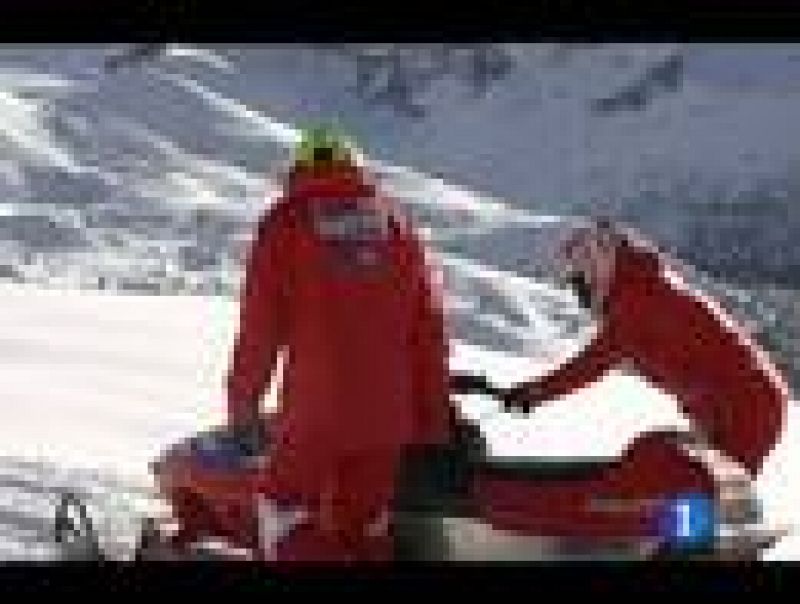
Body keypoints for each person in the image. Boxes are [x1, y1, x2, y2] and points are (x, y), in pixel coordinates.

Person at [225, 127, 454, 561]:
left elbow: (260, 328)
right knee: (363, 529)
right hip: (388, 414)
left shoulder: (285, 223)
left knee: (283, 515)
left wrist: (243, 406)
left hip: (317, 409)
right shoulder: (397, 226)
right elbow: (429, 330)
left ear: (300, 169)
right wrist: (433, 419)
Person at [501, 219, 790, 476]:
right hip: (743, 405)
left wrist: (533, 394)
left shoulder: (637, 301)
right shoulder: (642, 289)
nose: (579, 295)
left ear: (597, 269)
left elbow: (591, 364)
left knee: (688, 484)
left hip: (745, 409)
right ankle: (694, 532)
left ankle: (690, 535)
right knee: (670, 468)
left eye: (579, 283)